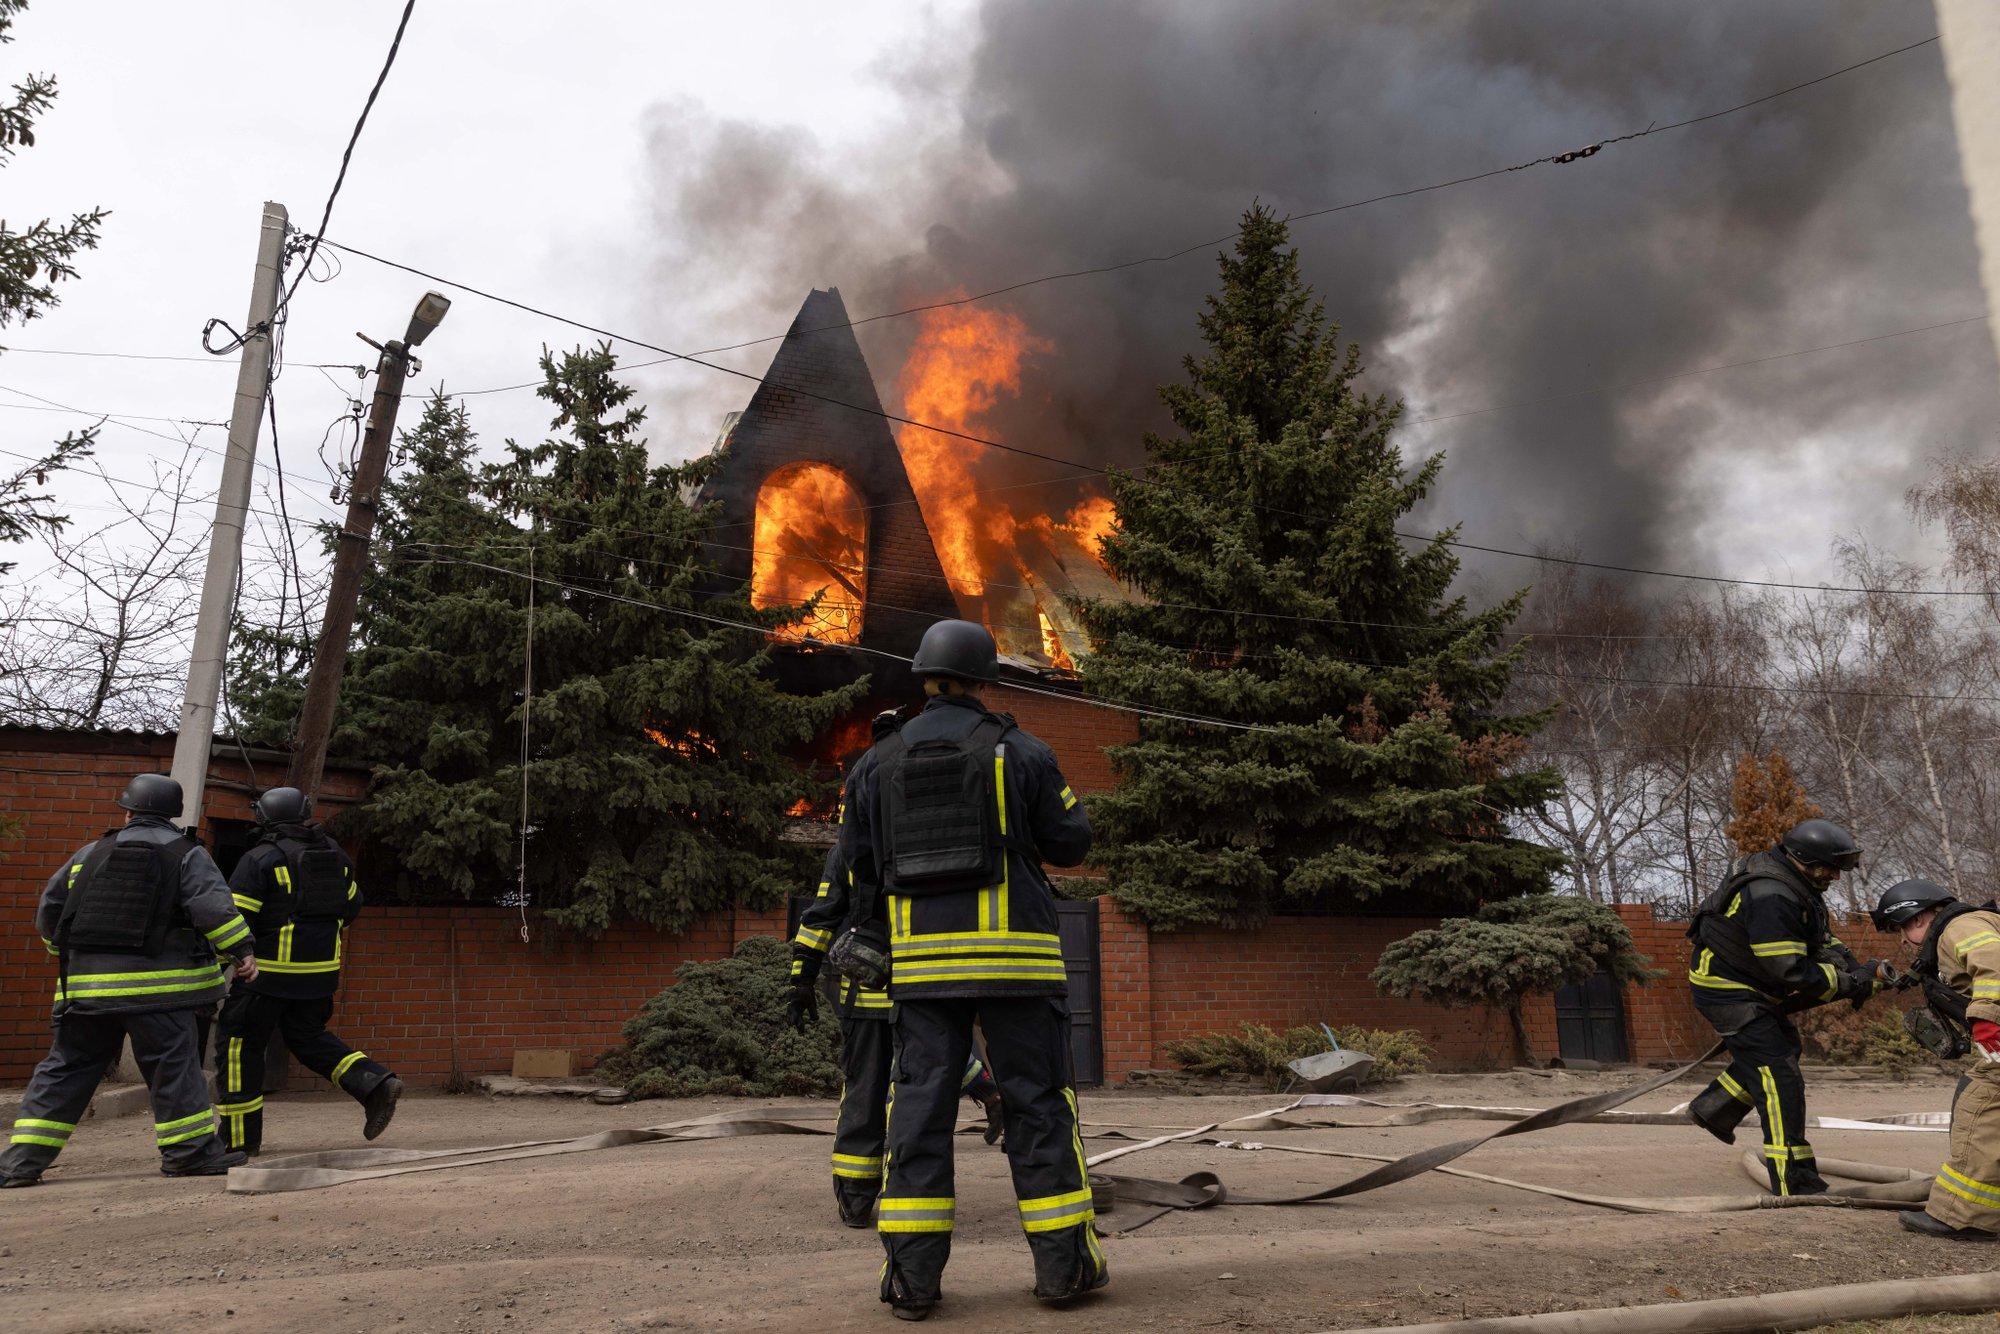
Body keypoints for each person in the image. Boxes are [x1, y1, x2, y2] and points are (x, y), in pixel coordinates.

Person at [839, 620, 1104, 1320]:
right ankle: (1062, 1271)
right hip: (1018, 966)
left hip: (923, 974)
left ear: (924, 678)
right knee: (1038, 1105)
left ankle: (912, 1282)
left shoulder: (876, 763)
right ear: (985, 679)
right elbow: (1072, 844)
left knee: (919, 1114)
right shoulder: (1022, 752)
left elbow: (857, 871)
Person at [788, 715, 1007, 1229]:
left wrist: (802, 977)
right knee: (928, 1074)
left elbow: (822, 913)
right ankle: (986, 1098)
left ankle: (858, 1195)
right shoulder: (928, 836)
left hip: (872, 994)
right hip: (920, 987)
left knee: (867, 1092)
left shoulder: (849, 849)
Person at [1, 774, 254, 1187]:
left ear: (128, 810)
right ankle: (188, 1155)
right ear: (174, 814)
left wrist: (64, 957)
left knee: (65, 1069)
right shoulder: (186, 854)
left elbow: (51, 913)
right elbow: (213, 910)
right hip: (159, 993)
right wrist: (241, 952)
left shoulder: (90, 853)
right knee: (173, 1067)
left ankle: (19, 1164)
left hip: (83, 995)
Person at [1682, 819, 1882, 1195]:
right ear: (1802, 858)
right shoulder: (1771, 894)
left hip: (1747, 985)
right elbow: (1791, 970)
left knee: (1779, 1052)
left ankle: (1714, 1109)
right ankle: (1793, 1177)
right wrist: (1849, 982)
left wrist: (1852, 964)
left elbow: (1816, 936)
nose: (1835, 877)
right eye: (1829, 868)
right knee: (1779, 1078)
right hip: (1728, 990)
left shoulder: (1794, 881)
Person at [212, 787, 401, 1154]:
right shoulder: (336, 856)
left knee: (239, 1049)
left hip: (263, 979)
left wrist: (216, 972)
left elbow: (233, 923)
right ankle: (374, 1083)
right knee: (308, 1038)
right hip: (319, 979)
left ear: (264, 818)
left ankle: (237, 1140)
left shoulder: (260, 859)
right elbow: (350, 909)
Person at [1872, 879, 2000, 1240]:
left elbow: (1994, 962)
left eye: (1902, 929)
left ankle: (1965, 1217)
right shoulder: (1963, 927)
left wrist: (1988, 1019)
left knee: (1980, 1105)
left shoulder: (1960, 927)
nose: (1902, 940)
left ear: (1920, 917)